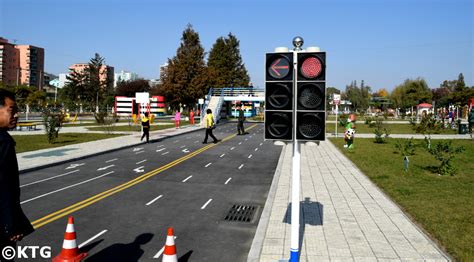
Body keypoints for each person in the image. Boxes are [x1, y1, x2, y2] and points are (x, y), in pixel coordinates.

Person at [0, 89, 34, 257]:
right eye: (11, 110)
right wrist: (11, 225)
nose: (16, 115)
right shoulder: (3, 142)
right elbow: (4, 187)